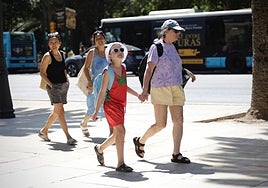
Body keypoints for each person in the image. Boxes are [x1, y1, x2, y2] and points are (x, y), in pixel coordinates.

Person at [133, 19, 196, 163]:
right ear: (166, 31)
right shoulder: (156, 47)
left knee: (179, 120)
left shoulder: (173, 47)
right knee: (161, 124)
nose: (178, 34)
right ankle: (141, 141)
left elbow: (173, 66)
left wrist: (186, 71)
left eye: (179, 32)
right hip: (160, 87)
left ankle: (176, 154)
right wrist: (144, 90)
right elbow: (149, 70)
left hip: (176, 87)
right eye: (175, 31)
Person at [92, 42, 142, 172]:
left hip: (120, 106)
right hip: (110, 105)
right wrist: (96, 111)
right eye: (115, 50)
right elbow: (102, 92)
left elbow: (124, 87)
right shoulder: (107, 71)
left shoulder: (123, 69)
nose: (119, 51)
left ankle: (100, 149)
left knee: (118, 133)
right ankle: (120, 164)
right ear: (109, 55)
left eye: (121, 49)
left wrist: (137, 95)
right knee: (120, 131)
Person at [38, 32, 77, 145]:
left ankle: (44, 131)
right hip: (53, 87)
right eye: (51, 42)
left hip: (63, 85)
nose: (53, 44)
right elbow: (42, 73)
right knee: (61, 111)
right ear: (49, 44)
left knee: (57, 111)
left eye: (56, 42)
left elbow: (63, 69)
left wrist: (67, 80)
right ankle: (68, 137)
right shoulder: (47, 56)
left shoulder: (62, 54)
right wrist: (51, 85)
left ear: (60, 43)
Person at [79, 30, 112, 137]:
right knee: (92, 109)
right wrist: (89, 82)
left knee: (109, 108)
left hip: (108, 85)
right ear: (94, 41)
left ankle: (112, 133)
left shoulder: (109, 51)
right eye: (97, 39)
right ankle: (84, 124)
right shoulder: (92, 53)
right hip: (95, 85)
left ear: (105, 39)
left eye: (101, 38)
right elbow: (86, 68)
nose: (100, 41)